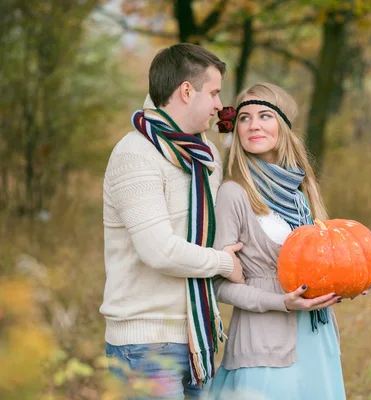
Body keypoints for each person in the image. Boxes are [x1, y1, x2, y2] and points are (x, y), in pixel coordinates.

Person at [208, 83, 371, 400]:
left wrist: (360, 274)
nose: (253, 125)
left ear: (283, 126)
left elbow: (321, 266)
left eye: (264, 115)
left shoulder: (301, 191)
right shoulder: (233, 193)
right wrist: (282, 302)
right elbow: (219, 285)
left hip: (316, 337)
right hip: (264, 344)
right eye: (244, 118)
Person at [100, 43, 244, 399]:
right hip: (146, 347)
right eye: (213, 92)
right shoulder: (135, 154)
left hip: (198, 339)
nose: (218, 104)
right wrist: (224, 263)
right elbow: (159, 251)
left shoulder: (206, 154)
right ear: (185, 91)